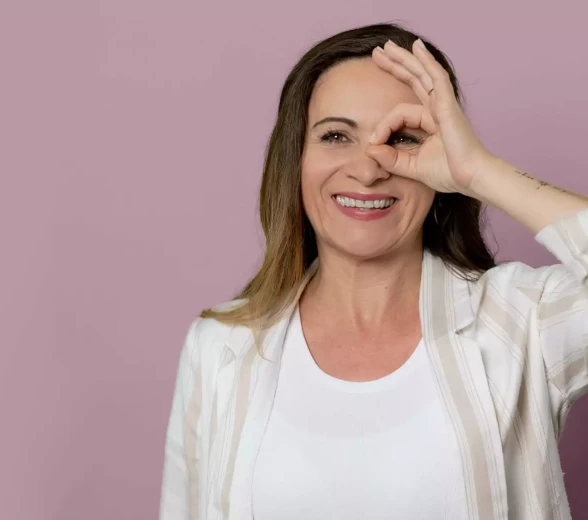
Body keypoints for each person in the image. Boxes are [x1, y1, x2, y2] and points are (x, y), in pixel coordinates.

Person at [159, 23, 588, 520]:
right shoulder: (218, 346)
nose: (368, 170)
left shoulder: (520, 322)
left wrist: (477, 170)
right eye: (335, 136)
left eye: (402, 138)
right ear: (295, 159)